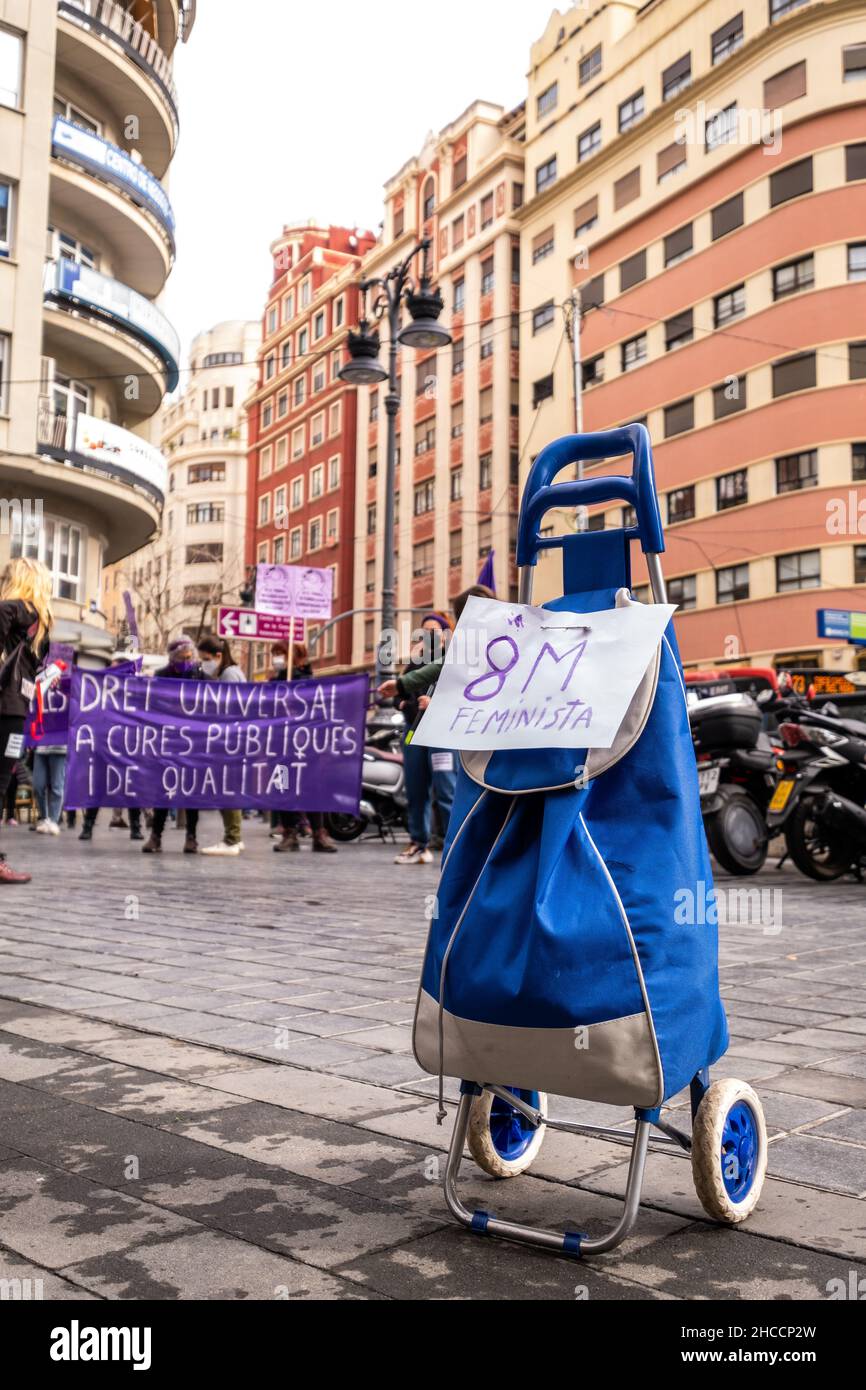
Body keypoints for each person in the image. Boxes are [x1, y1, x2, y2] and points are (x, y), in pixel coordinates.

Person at [0, 557, 53, 884]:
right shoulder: (18, 610)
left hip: (14, 707)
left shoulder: (32, 621)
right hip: (8, 710)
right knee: (0, 782)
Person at [388, 613, 456, 866]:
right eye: (424, 630)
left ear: (444, 634)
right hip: (414, 732)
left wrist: (435, 703)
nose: (428, 635)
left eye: (433, 630)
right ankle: (418, 843)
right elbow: (400, 693)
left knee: (446, 790)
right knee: (416, 790)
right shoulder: (415, 662)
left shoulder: (454, 659)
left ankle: (454, 844)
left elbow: (464, 694)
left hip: (442, 734)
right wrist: (404, 701)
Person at [271, 642, 337, 854]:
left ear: (296, 658)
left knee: (312, 787)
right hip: (281, 745)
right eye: (275, 655)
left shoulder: (310, 683)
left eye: (280, 654)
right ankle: (289, 833)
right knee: (283, 787)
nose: (277, 659)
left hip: (306, 746)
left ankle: (319, 833)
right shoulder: (274, 683)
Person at [142, 635, 205, 854]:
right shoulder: (161, 677)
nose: (186, 660)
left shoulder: (201, 677)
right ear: (172, 658)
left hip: (193, 745)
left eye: (189, 657)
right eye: (182, 657)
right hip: (167, 743)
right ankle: (156, 836)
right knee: (163, 791)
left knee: (192, 793)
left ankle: (191, 837)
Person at [197, 635, 247, 857]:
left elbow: (228, 710)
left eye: (206, 659)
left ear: (218, 656)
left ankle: (231, 839)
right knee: (229, 788)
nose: (204, 664)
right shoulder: (233, 672)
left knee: (227, 789)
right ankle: (235, 837)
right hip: (233, 740)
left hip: (228, 742)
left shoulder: (228, 675)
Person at [32, 741, 67, 835]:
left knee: (57, 786)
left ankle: (54, 821)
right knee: (37, 786)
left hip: (59, 748)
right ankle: (44, 818)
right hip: (40, 747)